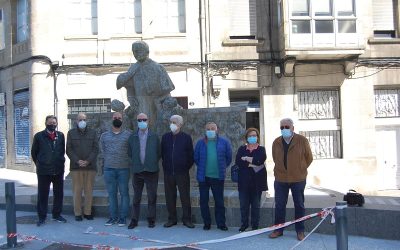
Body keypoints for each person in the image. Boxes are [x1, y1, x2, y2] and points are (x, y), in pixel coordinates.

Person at [269, 118, 313, 241]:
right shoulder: (276, 142)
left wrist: (300, 168)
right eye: (282, 127)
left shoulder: (302, 140)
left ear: (293, 128)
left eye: (287, 127)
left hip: (298, 179)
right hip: (281, 179)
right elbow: (274, 157)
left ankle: (300, 230)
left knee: (299, 205)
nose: (284, 129)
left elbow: (309, 157)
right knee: (279, 205)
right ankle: (278, 229)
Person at [116, 40, 175, 130]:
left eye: (139, 51)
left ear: (147, 52)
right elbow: (129, 87)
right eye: (134, 51)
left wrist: (160, 102)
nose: (136, 54)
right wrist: (131, 99)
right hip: (140, 106)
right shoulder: (133, 69)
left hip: (156, 106)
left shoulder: (158, 68)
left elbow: (167, 91)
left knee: (156, 131)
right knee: (141, 131)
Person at [194, 122, 232, 231]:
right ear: (205, 131)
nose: (210, 130)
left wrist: (222, 167)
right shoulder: (200, 143)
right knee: (203, 201)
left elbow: (228, 158)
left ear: (217, 130)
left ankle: (221, 223)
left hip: (218, 177)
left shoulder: (224, 142)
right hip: (203, 178)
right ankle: (207, 223)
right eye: (208, 129)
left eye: (212, 128)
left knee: (219, 201)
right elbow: (196, 158)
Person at [31, 115, 66, 226]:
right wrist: (40, 163)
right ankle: (42, 216)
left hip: (58, 170)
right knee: (43, 194)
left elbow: (62, 150)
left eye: (54, 123)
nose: (52, 124)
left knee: (59, 193)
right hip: (43, 172)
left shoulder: (60, 136)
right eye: (50, 122)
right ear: (46, 123)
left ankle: (57, 214)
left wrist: (60, 161)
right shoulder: (39, 136)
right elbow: (34, 152)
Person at [127, 113, 161, 229]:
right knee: (136, 197)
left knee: (152, 197)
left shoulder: (154, 136)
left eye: (144, 119)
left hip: (151, 171)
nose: (142, 121)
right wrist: (137, 163)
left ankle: (151, 219)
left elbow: (158, 153)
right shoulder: (132, 136)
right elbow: (129, 153)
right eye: (139, 120)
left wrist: (150, 162)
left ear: (148, 121)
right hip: (137, 171)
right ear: (137, 121)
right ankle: (134, 220)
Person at [98, 112, 132, 227]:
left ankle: (122, 218)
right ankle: (113, 217)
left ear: (123, 120)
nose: (117, 119)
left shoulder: (128, 135)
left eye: (119, 118)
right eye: (115, 118)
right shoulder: (104, 136)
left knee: (124, 194)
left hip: (124, 169)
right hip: (109, 169)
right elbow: (102, 150)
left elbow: (131, 150)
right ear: (111, 119)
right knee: (111, 194)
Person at [161, 115, 194, 229]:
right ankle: (172, 219)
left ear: (180, 124)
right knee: (169, 197)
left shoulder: (186, 138)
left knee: (185, 196)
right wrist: (166, 167)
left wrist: (185, 167)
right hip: (169, 172)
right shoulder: (165, 137)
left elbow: (190, 156)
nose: (172, 124)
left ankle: (187, 219)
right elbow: (162, 154)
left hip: (182, 173)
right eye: (171, 122)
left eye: (174, 122)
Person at [66, 113, 98, 221]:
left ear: (87, 120)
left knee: (89, 191)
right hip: (76, 167)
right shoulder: (71, 133)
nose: (82, 121)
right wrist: (77, 161)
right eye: (80, 119)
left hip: (90, 167)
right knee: (77, 191)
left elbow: (95, 149)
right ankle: (78, 213)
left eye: (84, 119)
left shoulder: (93, 133)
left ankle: (87, 212)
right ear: (76, 121)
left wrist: (88, 161)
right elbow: (69, 149)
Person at [235, 128, 267, 232]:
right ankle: (244, 225)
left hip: (257, 183)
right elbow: (238, 162)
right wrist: (252, 162)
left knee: (255, 206)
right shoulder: (241, 149)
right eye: (250, 136)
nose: (252, 137)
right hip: (243, 182)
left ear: (257, 137)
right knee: (243, 205)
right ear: (247, 138)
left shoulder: (261, 149)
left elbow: (260, 160)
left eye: (254, 135)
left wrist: (247, 159)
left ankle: (255, 226)